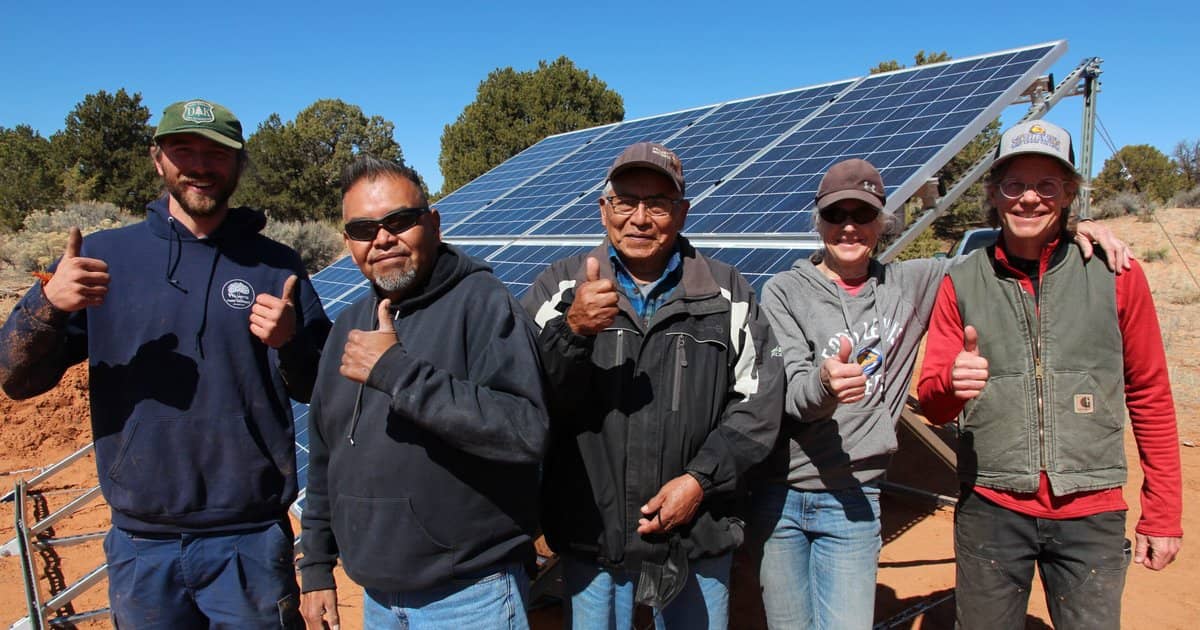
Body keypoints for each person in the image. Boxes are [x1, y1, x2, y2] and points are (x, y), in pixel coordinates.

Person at [752, 155, 1131, 629]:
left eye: (863, 215)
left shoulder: (912, 283)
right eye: (835, 215)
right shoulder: (784, 291)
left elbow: (1010, 248)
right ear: (818, 221)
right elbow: (789, 396)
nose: (849, 228)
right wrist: (825, 386)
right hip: (781, 494)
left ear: (882, 223)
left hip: (854, 497)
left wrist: (1080, 229)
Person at [0, 99, 330, 628]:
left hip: (249, 542)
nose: (200, 165)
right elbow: (15, 380)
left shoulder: (277, 265)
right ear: (158, 160)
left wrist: (289, 342)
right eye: (184, 151)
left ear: (238, 165)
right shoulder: (104, 259)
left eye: (216, 154)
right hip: (140, 545)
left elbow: (319, 387)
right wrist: (46, 305)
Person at [917, 120, 1183, 629]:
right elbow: (931, 402)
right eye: (1014, 185)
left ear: (1068, 195)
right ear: (994, 194)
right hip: (991, 509)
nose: (1029, 199)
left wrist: (1163, 513)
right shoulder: (962, 280)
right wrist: (952, 386)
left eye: (1047, 185)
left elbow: (1150, 392)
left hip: (1092, 511)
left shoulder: (1115, 274)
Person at [521, 141, 784, 629]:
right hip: (592, 538)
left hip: (696, 537)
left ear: (681, 213)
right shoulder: (559, 289)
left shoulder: (728, 295)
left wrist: (699, 481)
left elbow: (759, 404)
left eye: (658, 203)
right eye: (625, 201)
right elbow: (528, 395)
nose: (640, 218)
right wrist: (573, 330)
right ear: (605, 210)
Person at [297, 155, 549, 630]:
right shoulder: (349, 325)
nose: (383, 238)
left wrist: (397, 372)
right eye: (364, 229)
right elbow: (327, 453)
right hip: (377, 596)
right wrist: (315, 566)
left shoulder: (483, 304)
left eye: (400, 220)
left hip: (471, 595)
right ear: (348, 241)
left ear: (432, 222)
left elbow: (524, 431)